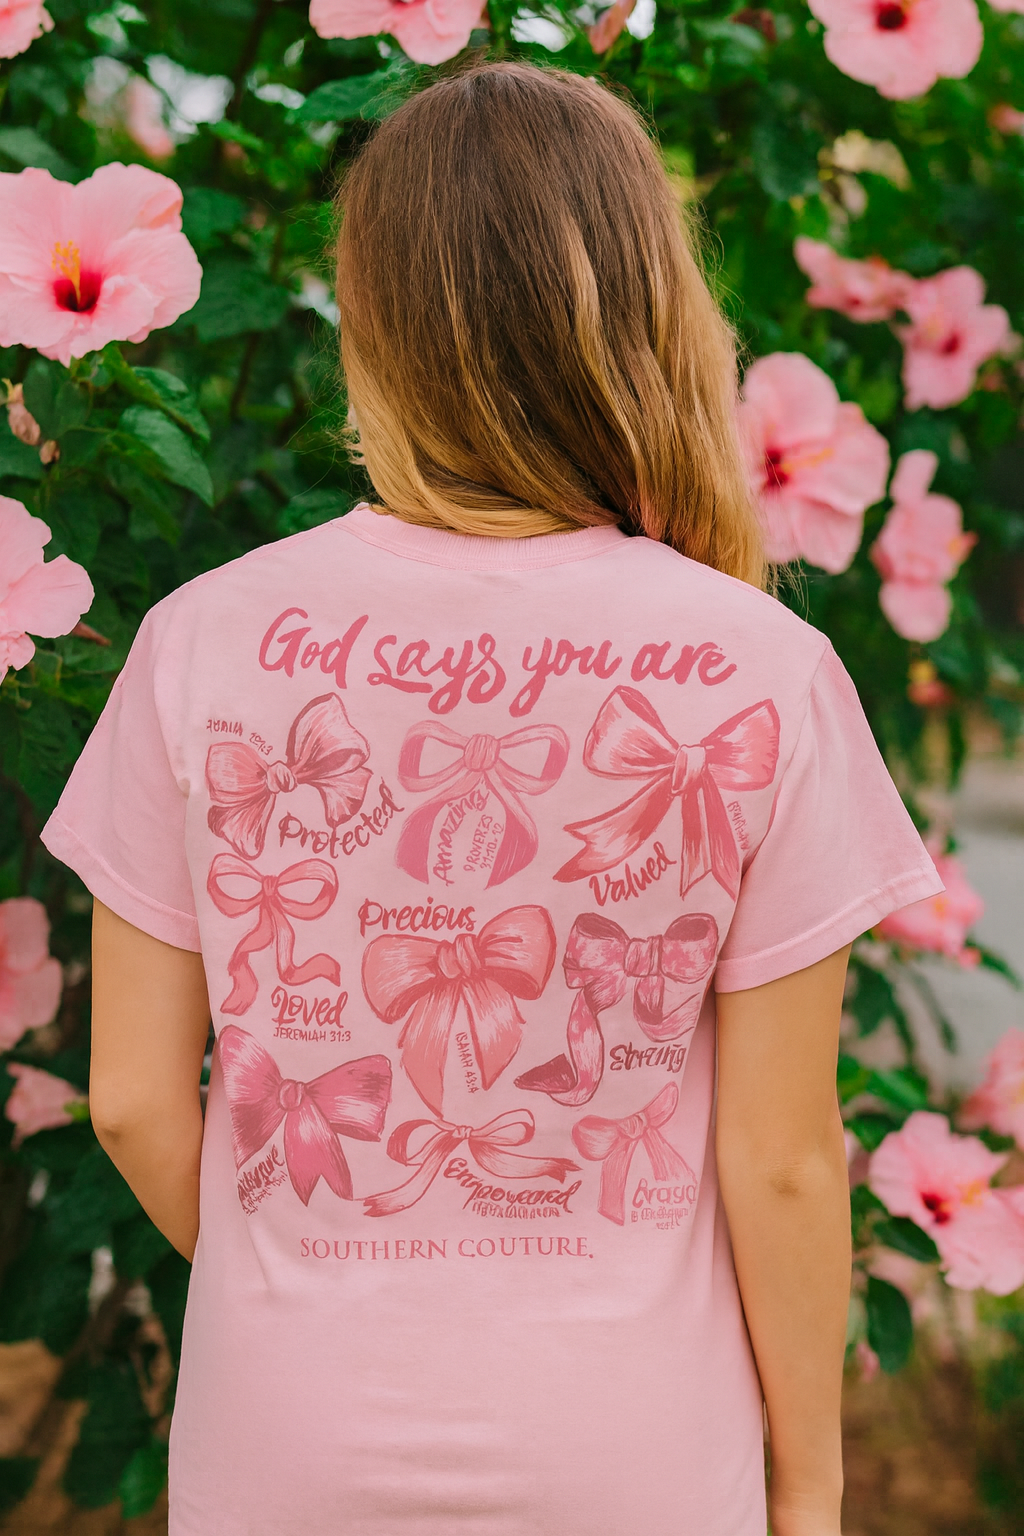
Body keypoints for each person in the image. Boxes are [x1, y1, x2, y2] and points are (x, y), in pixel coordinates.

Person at [42, 62, 940, 1536]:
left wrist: (304, 1323)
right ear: (650, 310)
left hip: (281, 1443)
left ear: (372, 319)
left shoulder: (201, 640)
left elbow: (137, 1101)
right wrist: (814, 1485)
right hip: (636, 1447)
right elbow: (782, 1164)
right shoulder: (762, 671)